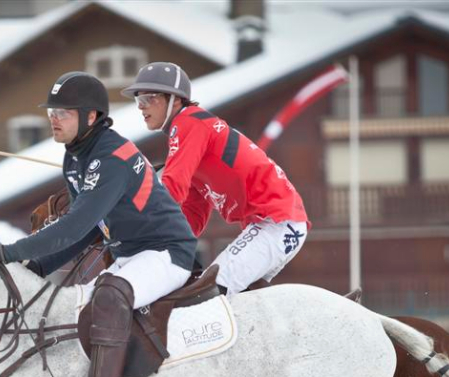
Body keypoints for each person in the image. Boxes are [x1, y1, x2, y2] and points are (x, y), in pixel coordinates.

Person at [0, 71, 197, 377]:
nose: (53, 118)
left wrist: (12, 252)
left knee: (110, 295)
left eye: (63, 111)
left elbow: (75, 223)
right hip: (131, 254)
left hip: (166, 253)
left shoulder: (110, 157)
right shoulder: (77, 158)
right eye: (51, 111)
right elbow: (86, 230)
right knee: (69, 308)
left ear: (91, 116)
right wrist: (34, 269)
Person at [121, 62, 310, 295]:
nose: (141, 107)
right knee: (230, 303)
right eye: (138, 100)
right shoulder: (188, 135)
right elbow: (194, 211)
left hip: (275, 223)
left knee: (207, 293)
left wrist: (132, 222)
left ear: (175, 99)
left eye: (148, 98)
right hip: (278, 224)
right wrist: (167, 245)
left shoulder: (188, 122)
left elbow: (172, 187)